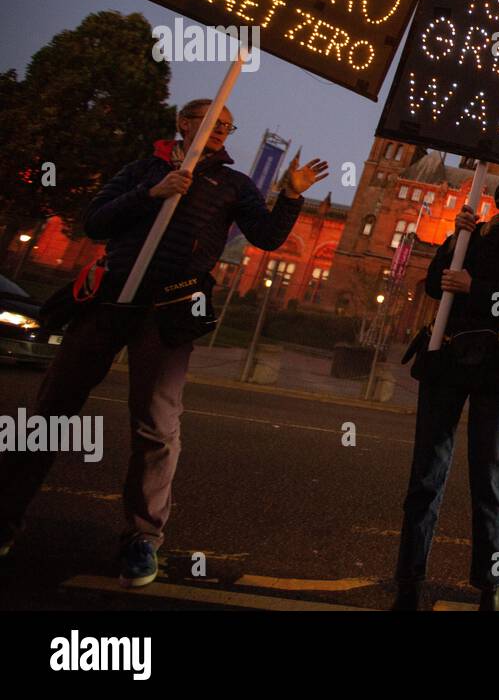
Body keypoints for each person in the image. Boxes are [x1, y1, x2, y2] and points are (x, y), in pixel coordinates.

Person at [0, 99, 327, 585]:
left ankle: (142, 540)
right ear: (184, 122)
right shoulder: (141, 169)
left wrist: (292, 195)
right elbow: (96, 221)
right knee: (52, 410)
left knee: (157, 426)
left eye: (228, 127)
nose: (221, 130)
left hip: (169, 312)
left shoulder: (233, 184)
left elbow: (268, 238)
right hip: (109, 301)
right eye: (213, 121)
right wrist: (152, 192)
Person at [393, 167, 499, 611]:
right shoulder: (476, 232)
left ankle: (492, 586)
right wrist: (454, 241)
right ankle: (408, 581)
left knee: (489, 476)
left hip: (496, 367)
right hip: (447, 358)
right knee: (426, 474)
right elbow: (434, 285)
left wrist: (478, 289)